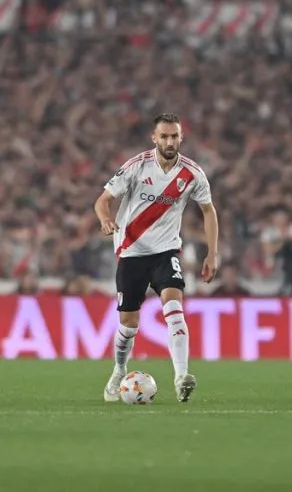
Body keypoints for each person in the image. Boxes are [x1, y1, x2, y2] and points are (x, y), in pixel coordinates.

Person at [94, 113, 219, 403]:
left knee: (174, 307)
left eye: (174, 136)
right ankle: (119, 370)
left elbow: (209, 210)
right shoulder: (137, 167)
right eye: (164, 136)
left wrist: (212, 254)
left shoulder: (192, 173)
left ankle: (181, 377)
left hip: (166, 251)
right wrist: (105, 220)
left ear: (181, 138)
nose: (169, 141)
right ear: (154, 138)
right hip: (132, 252)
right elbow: (102, 200)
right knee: (129, 325)